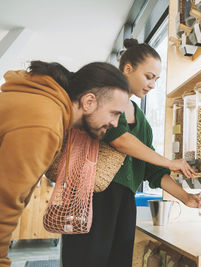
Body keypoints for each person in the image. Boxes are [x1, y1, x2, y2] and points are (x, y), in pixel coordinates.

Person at [61, 39, 201, 267]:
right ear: (128, 69)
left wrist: (185, 197)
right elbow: (120, 140)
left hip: (125, 202)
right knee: (86, 260)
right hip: (91, 197)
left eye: (156, 79)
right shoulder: (103, 99)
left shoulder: (142, 121)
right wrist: (170, 162)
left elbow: (152, 171)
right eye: (149, 77)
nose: (153, 85)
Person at [0, 60, 131, 267]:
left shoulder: (45, 107)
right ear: (88, 102)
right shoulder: (45, 121)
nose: (115, 123)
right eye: (114, 113)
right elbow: (4, 203)